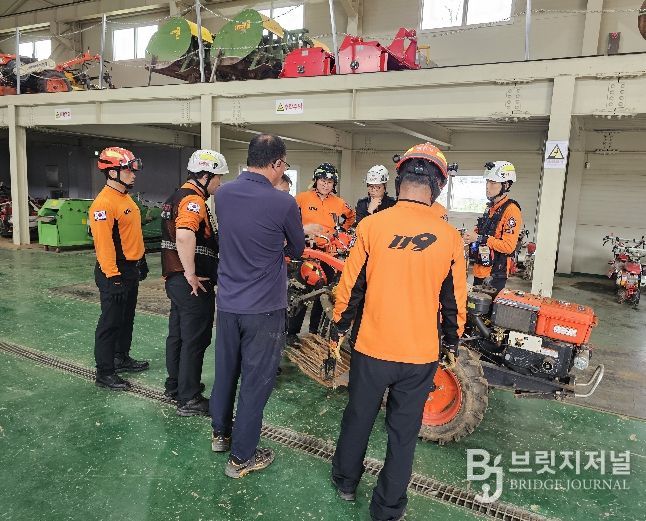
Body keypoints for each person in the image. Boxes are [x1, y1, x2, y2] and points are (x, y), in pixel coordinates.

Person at [329, 143, 467, 521]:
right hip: (420, 354)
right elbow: (455, 300)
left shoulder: (371, 226)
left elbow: (350, 286)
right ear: (438, 186)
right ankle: (388, 508)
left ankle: (345, 482)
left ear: (398, 180)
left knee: (358, 417)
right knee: (403, 434)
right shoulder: (448, 237)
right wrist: (452, 341)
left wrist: (339, 327)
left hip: (372, 348)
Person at [209, 134, 305, 478]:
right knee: (255, 383)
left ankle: (221, 435)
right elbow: (297, 249)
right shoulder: (283, 203)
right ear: (277, 164)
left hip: (228, 304)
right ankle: (241, 458)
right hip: (263, 308)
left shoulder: (223, 194)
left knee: (225, 372)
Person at [161, 149, 228, 416]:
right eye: (218, 177)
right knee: (195, 339)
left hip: (176, 281)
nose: (219, 183)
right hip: (192, 283)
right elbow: (185, 235)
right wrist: (190, 273)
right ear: (205, 175)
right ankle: (189, 398)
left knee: (178, 334)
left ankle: (176, 385)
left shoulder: (175, 196)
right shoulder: (193, 200)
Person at [89, 146, 149, 391]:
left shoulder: (125, 198)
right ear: (112, 172)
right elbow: (104, 246)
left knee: (126, 319)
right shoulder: (103, 204)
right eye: (128, 170)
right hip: (113, 271)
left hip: (130, 269)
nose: (133, 175)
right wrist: (113, 277)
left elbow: (131, 235)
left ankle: (120, 357)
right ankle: (104, 372)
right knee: (110, 322)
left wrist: (141, 260)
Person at [289, 163, 355, 338]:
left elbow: (351, 216)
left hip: (328, 253)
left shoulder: (339, 202)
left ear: (334, 184)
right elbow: (288, 219)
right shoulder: (302, 198)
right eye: (323, 181)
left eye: (330, 182)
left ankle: (315, 332)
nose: (326, 185)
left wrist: (339, 231)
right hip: (306, 251)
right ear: (316, 180)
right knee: (302, 291)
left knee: (324, 292)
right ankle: (292, 333)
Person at [463, 161, 523, 293]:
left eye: (493, 183)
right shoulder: (490, 208)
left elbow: (508, 246)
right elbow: (482, 231)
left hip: (494, 275)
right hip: (479, 270)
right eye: (487, 182)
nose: (487, 187)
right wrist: (470, 237)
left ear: (506, 185)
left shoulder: (511, 210)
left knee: (486, 306)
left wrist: (479, 238)